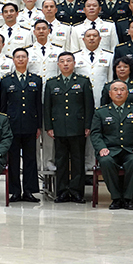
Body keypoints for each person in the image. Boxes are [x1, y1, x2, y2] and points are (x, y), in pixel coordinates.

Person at [90, 81, 133, 210]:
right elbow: (95, 134)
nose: (119, 92)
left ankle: (128, 198)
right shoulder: (101, 112)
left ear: (127, 93)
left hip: (130, 150)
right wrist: (101, 148)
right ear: (110, 93)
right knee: (105, 161)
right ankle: (116, 198)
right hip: (110, 150)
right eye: (115, 90)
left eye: (122, 90)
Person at [44, 52, 94, 203]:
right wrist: (49, 126)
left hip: (78, 127)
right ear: (58, 65)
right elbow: (47, 107)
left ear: (74, 63)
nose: (65, 64)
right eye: (62, 61)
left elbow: (89, 105)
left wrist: (88, 125)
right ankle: (62, 191)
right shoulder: (51, 83)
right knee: (61, 161)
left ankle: (77, 192)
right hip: (59, 127)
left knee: (78, 161)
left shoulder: (83, 81)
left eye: (68, 61)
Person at [0, 48, 43, 202]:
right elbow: (3, 106)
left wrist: (39, 126)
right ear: (13, 60)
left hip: (30, 124)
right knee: (13, 159)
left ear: (27, 59)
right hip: (12, 125)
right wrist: (2, 126)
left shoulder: (36, 80)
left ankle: (29, 191)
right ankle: (15, 191)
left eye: (23, 57)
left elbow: (38, 105)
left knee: (30, 159)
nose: (21, 59)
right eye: (18, 57)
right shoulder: (6, 80)